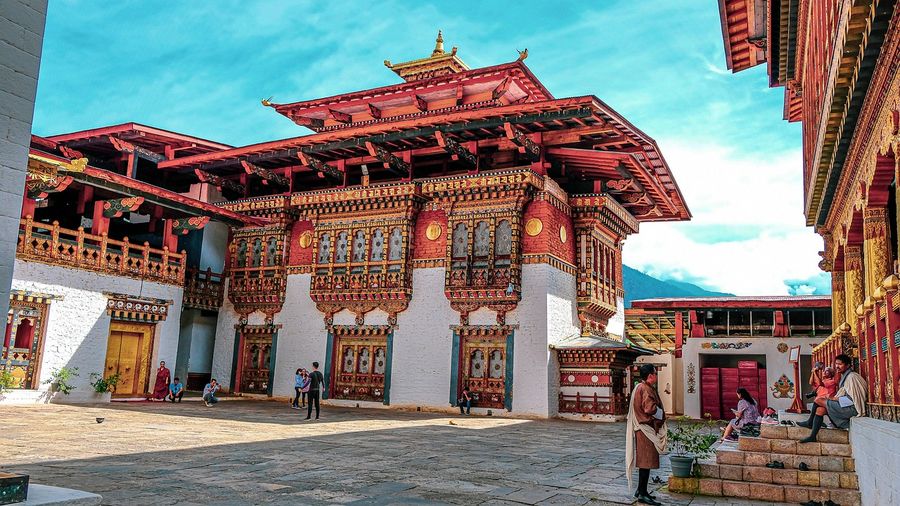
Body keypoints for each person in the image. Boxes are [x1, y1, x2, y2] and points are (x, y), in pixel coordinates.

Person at [626, 364, 667, 506]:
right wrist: (661, 414)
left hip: (643, 429)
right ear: (650, 375)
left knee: (645, 461)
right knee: (646, 462)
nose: (656, 375)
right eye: (655, 373)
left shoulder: (640, 387)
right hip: (645, 429)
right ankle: (642, 493)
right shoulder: (645, 389)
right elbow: (650, 409)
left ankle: (640, 490)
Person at [800, 354, 867, 442]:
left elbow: (853, 401)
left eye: (840, 364)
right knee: (820, 410)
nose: (837, 366)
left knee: (818, 400)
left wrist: (835, 399)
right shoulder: (846, 377)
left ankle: (809, 422)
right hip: (845, 406)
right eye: (836, 364)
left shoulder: (852, 377)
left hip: (852, 409)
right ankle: (813, 436)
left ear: (847, 365)